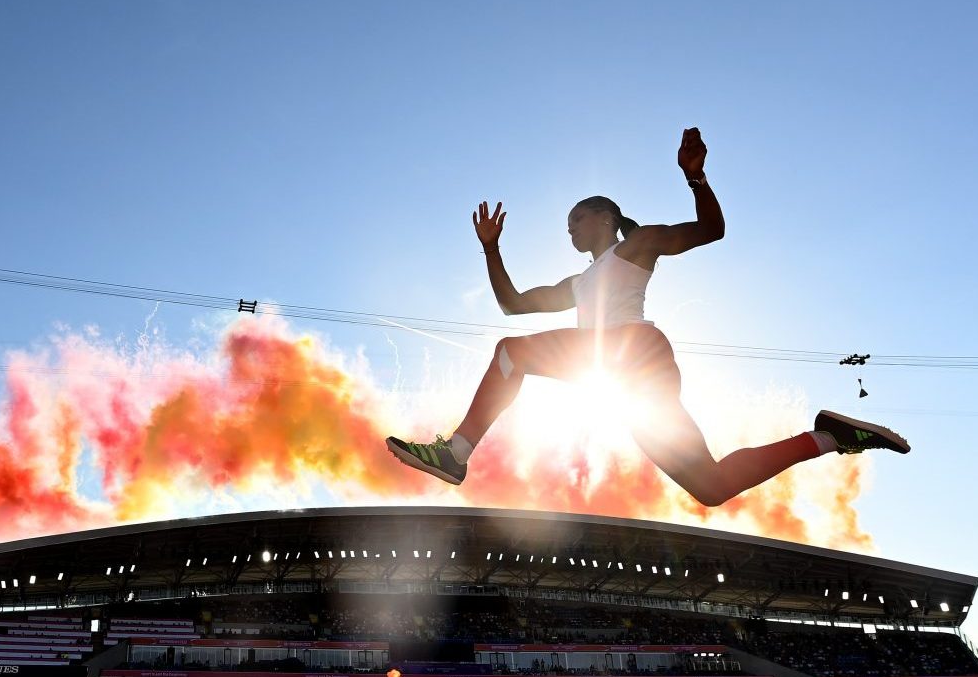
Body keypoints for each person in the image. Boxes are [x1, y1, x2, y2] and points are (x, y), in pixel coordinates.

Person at [387, 128, 907, 505]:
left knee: (511, 353)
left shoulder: (636, 246)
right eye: (566, 225)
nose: (569, 230)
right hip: (629, 383)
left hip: (631, 350)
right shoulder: (578, 284)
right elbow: (513, 304)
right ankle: (830, 437)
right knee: (712, 486)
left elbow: (711, 230)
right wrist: (491, 249)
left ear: (606, 218)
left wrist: (697, 176)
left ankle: (456, 453)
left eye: (577, 219)